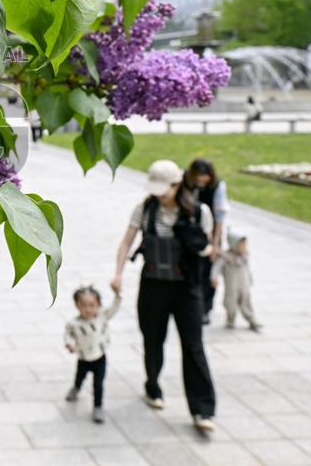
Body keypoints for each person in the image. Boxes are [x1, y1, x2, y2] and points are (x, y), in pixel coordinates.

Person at [111, 159, 217, 433]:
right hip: (154, 284)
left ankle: (202, 410)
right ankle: (153, 387)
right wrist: (118, 273)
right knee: (153, 338)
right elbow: (126, 242)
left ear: (177, 184)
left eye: (165, 189)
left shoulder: (199, 212)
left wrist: (204, 254)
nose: (159, 194)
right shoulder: (145, 209)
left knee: (193, 345)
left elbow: (207, 248)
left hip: (187, 287)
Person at [64, 286, 120, 424]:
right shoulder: (74, 323)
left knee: (98, 384)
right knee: (80, 376)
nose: (88, 309)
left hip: (100, 357)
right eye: (83, 306)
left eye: (92, 305)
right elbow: (68, 335)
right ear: (77, 305)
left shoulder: (102, 317)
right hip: (83, 358)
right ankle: (76, 387)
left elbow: (113, 309)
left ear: (98, 305)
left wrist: (117, 296)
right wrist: (70, 344)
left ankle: (98, 407)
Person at [185, 159, 229, 325]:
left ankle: (205, 309)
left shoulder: (217, 187)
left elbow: (220, 217)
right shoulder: (185, 182)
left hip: (210, 235)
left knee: (209, 273)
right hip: (189, 234)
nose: (201, 181)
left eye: (204, 177)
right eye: (198, 177)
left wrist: (216, 244)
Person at [212, 232, 260, 331]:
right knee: (230, 303)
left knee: (246, 301)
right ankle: (231, 318)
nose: (244, 247)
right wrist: (214, 278)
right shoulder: (225, 257)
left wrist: (250, 278)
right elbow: (216, 268)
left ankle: (251, 319)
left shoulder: (244, 257)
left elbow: (247, 269)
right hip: (231, 287)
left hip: (244, 285)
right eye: (241, 245)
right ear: (234, 245)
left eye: (245, 245)